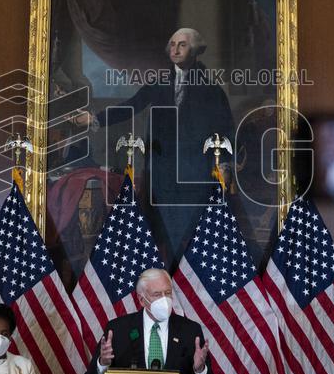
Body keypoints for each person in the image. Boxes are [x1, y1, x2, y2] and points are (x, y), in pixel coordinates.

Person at [74, 27, 235, 260]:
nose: (175, 49)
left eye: (182, 44)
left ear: (196, 50)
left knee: (191, 240)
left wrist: (226, 165)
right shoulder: (159, 84)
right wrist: (94, 118)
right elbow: (132, 105)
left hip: (195, 175)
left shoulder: (212, 90)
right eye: (172, 44)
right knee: (163, 240)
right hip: (162, 174)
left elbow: (226, 128)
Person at [82, 268, 221, 374]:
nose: (164, 299)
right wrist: (103, 364)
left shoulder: (190, 331)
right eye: (157, 294)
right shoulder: (118, 330)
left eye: (167, 293)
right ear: (142, 300)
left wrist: (200, 371)